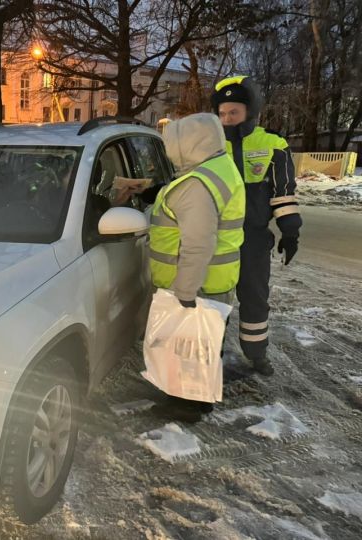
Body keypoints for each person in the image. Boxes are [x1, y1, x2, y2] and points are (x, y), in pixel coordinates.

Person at [148, 112, 245, 422]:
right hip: (217, 280)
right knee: (204, 348)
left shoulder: (197, 185)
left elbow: (198, 244)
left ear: (187, 145)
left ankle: (183, 408)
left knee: (189, 351)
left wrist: (185, 292)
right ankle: (199, 401)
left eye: (172, 144)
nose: (169, 151)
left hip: (197, 286)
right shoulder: (220, 167)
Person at [211, 76, 302, 376]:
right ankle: (211, 355)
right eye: (222, 113)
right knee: (215, 299)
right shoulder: (211, 144)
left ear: (250, 112)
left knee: (254, 298)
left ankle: (256, 354)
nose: (226, 119)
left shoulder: (271, 144)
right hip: (218, 238)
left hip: (253, 239)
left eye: (233, 112)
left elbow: (283, 193)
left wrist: (290, 231)